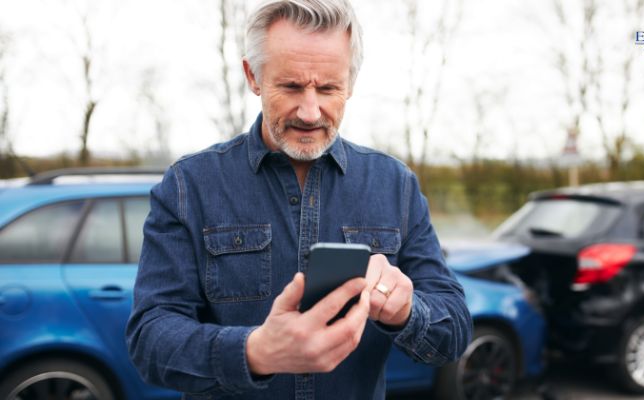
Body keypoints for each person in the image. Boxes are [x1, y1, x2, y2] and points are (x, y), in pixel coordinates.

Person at [125, 0, 472, 398]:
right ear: (253, 75)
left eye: (328, 88)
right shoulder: (189, 185)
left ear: (351, 84)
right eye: (291, 86)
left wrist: (408, 313)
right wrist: (255, 352)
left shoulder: (396, 185)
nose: (310, 112)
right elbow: (148, 340)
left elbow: (456, 331)